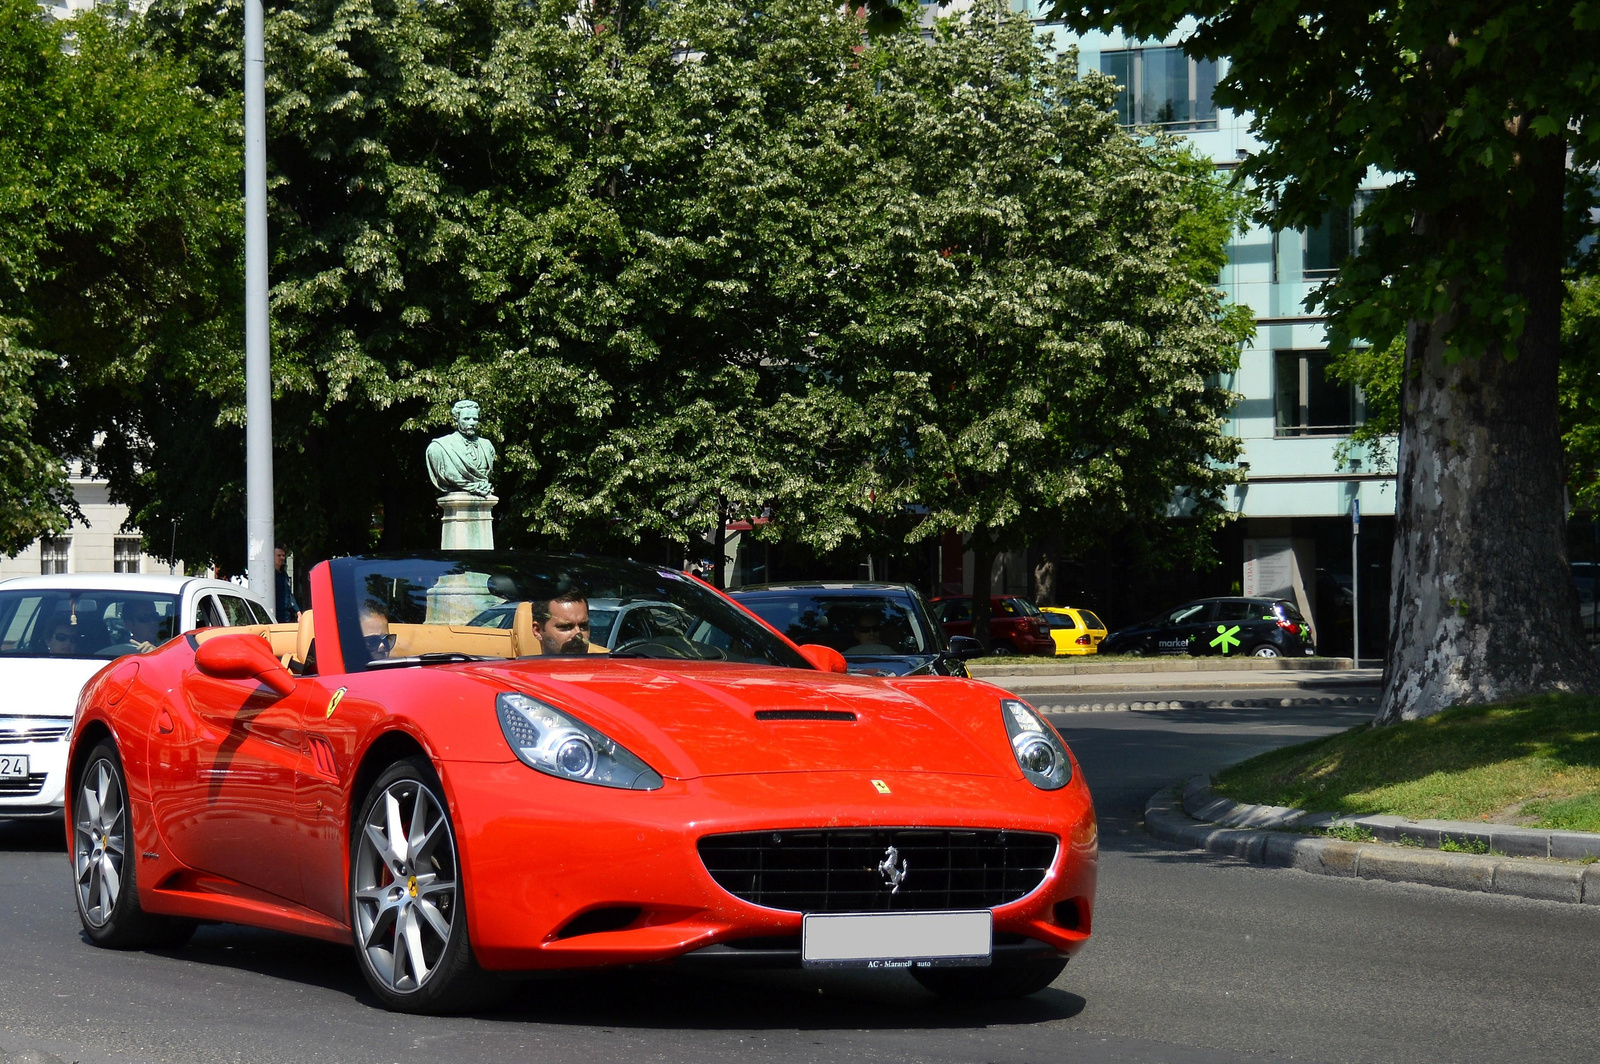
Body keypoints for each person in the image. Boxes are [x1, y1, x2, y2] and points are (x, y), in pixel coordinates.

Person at [530, 589, 592, 656]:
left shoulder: (603, 664)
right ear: (538, 630)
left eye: (583, 626)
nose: (578, 634)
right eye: (566, 627)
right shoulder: (521, 666)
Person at [274, 547, 300, 622]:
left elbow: (289, 595)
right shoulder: (269, 576)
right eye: (279, 555)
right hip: (275, 614)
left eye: (283, 555)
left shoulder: (284, 575)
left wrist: (298, 612)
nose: (282, 558)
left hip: (286, 615)